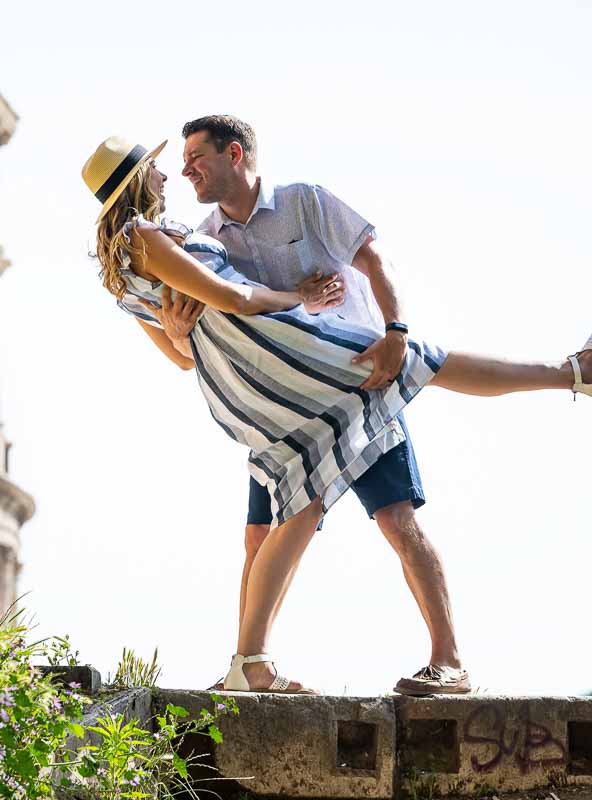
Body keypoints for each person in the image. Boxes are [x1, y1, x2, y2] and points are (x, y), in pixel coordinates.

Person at [81, 134, 592, 695]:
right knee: (422, 364)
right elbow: (232, 303)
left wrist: (182, 329)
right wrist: (297, 298)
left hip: (248, 387)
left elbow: (183, 355)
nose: (173, 175)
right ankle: (574, 372)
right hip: (290, 363)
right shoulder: (151, 237)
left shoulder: (125, 267)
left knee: (300, 508)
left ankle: (251, 662)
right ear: (138, 181)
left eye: (190, 160)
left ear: (234, 154)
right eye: (161, 169)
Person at [157, 115, 464, 696]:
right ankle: (246, 667)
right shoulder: (203, 242)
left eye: (196, 155)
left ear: (235, 153)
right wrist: (177, 336)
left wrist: (397, 329)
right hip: (280, 419)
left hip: (356, 391)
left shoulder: (306, 202)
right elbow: (198, 349)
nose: (185, 169)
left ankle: (449, 662)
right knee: (256, 537)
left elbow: (375, 260)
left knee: (399, 524)